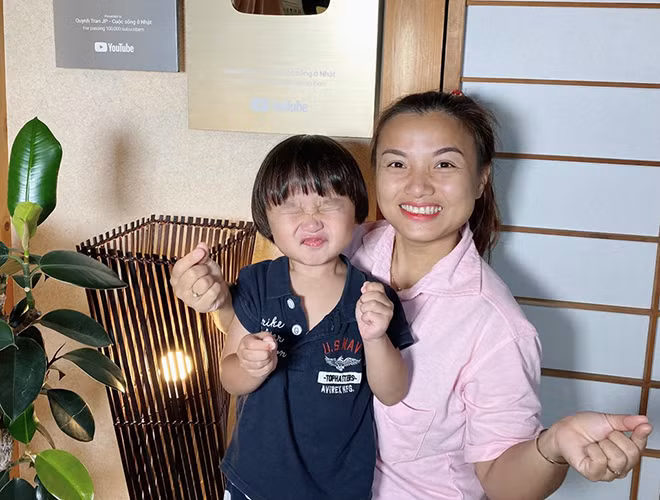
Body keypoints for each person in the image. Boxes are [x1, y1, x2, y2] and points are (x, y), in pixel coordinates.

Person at [171, 91, 653, 500]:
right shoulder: (344, 245)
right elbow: (270, 331)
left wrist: (554, 445)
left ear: (481, 178)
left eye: (444, 163)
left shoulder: (495, 327)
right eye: (398, 163)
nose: (419, 186)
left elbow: (503, 481)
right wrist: (214, 298)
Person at [189, 134, 413, 500]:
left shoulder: (373, 297)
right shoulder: (257, 283)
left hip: (339, 489)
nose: (311, 222)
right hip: (254, 482)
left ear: (356, 210)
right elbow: (229, 378)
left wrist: (375, 338)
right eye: (291, 207)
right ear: (266, 219)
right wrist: (249, 365)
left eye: (328, 203)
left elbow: (392, 393)